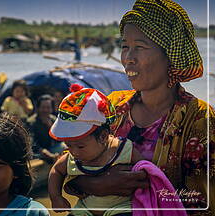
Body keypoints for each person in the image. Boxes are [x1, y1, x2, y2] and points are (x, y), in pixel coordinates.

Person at [63, 0, 215, 215]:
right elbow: (70, 162)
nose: (128, 58)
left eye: (140, 47)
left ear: (170, 55)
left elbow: (201, 205)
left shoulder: (200, 118)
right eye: (125, 46)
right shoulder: (111, 106)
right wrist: (94, 185)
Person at [48, 84, 187, 216]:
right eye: (68, 146)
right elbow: (57, 170)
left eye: (80, 146)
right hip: (85, 210)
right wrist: (56, 196)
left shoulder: (123, 150)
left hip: (119, 209)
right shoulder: (73, 157)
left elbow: (147, 170)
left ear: (102, 137)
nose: (74, 152)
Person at [27, 95, 65, 163]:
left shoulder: (54, 119)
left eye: (48, 107)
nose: (45, 110)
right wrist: (43, 151)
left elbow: (60, 139)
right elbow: (31, 143)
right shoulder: (31, 122)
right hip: (37, 152)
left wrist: (50, 127)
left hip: (52, 149)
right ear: (38, 108)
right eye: (43, 107)